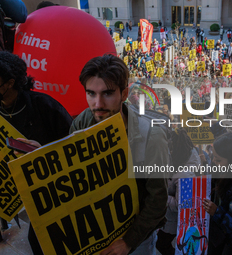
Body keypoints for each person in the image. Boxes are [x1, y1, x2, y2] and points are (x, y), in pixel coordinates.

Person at [69, 54, 169, 255]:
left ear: (124, 94)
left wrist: (128, 241)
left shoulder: (152, 136)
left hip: (135, 240)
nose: (97, 104)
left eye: (107, 94)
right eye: (91, 93)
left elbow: (157, 200)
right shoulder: (82, 122)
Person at [0, 51, 73, 255]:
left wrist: (43, 151)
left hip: (59, 188)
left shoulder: (44, 105)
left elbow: (73, 145)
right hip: (28, 195)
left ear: (9, 83)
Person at [156, 128, 200, 255]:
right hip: (169, 219)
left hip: (173, 221)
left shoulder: (184, 174)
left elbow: (180, 204)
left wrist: (163, 196)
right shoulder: (183, 159)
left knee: (162, 244)